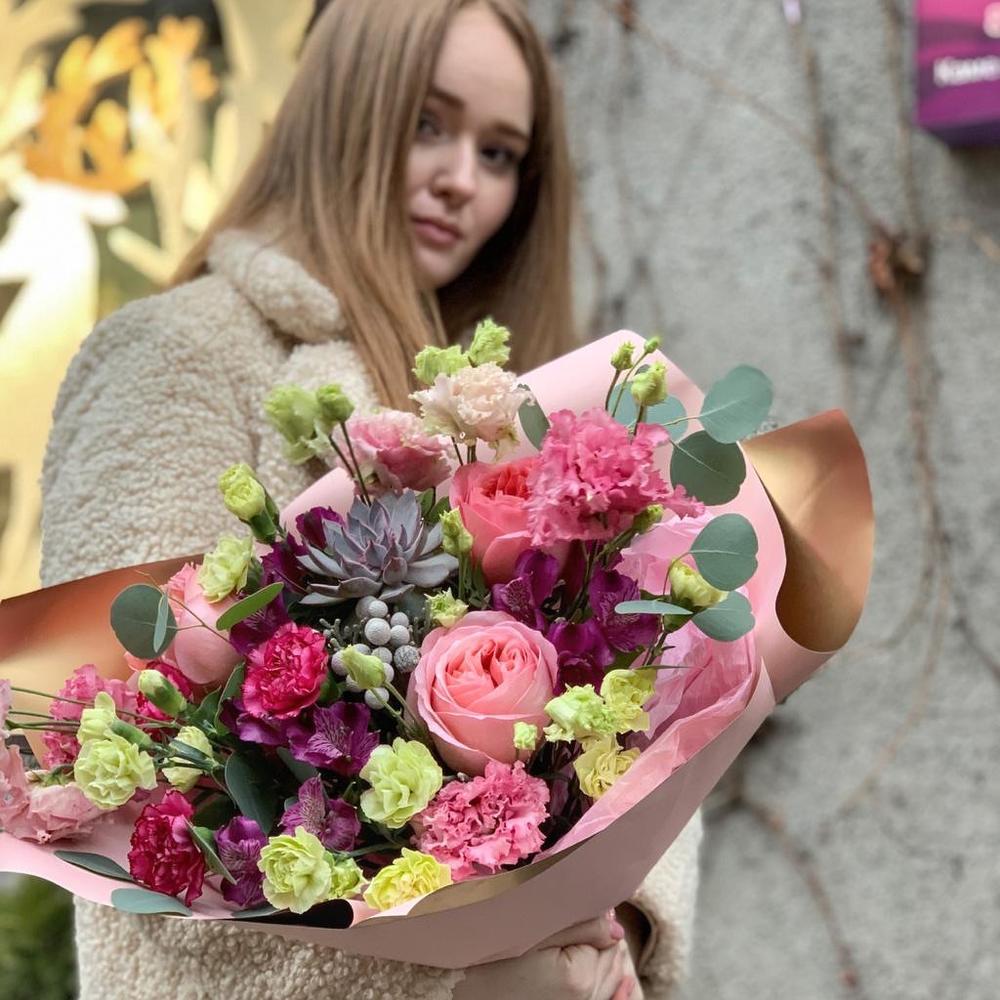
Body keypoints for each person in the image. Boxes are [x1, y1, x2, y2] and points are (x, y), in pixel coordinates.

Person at [40, 2, 703, 997]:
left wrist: (621, 927)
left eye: (499, 152)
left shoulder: (502, 404)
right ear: (342, 107)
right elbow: (133, 805)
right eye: (428, 123)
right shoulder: (176, 356)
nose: (461, 178)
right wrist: (455, 987)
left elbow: (636, 721)